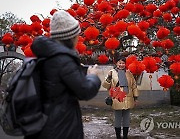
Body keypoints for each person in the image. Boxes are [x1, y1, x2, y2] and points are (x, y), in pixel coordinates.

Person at [24, 10, 101, 139]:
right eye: (77, 35)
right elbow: (84, 91)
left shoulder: (47, 56)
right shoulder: (63, 60)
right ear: (70, 37)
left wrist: (77, 71)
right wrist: (93, 76)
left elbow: (60, 85)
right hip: (61, 127)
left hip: (44, 124)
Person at [102, 56, 139, 139]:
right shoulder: (111, 72)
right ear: (116, 63)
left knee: (126, 119)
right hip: (117, 98)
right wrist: (108, 77)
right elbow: (105, 85)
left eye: (123, 63)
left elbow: (134, 86)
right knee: (118, 118)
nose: (121, 65)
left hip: (128, 97)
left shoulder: (129, 73)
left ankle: (125, 136)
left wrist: (136, 98)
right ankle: (118, 136)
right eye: (120, 63)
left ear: (125, 64)